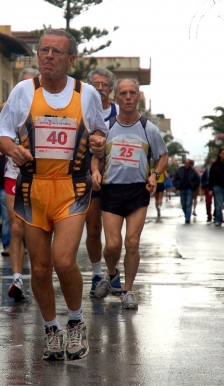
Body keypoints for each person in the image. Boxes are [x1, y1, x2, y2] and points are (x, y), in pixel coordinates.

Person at [0, 29, 106, 360]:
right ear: (38, 55)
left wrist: (98, 140)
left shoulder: (86, 95)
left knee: (63, 259)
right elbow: (1, 133)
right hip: (32, 187)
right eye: (44, 50)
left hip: (72, 186)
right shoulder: (24, 91)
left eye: (57, 52)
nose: (49, 56)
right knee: (40, 268)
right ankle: (51, 329)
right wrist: (13, 150)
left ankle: (75, 322)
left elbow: (99, 129)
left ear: (71, 60)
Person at [93, 78, 168, 309]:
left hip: (138, 191)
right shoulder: (107, 127)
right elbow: (96, 155)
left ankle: (128, 290)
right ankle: (112, 274)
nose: (127, 97)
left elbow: (162, 155)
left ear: (137, 97)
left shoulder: (149, 128)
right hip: (111, 191)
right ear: (116, 97)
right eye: (123, 93)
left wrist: (154, 174)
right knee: (113, 246)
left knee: (132, 243)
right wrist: (95, 171)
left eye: (132, 93)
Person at [0, 68, 40, 301]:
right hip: (13, 173)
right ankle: (17, 278)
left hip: (40, 176)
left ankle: (42, 275)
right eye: (23, 84)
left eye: (31, 83)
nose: (26, 88)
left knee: (38, 229)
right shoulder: (9, 105)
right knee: (16, 226)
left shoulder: (47, 105)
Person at [85, 68, 118, 297]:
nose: (100, 89)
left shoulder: (118, 113)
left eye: (104, 85)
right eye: (95, 84)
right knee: (94, 229)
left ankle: (113, 273)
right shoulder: (83, 112)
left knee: (114, 234)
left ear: (111, 89)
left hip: (116, 180)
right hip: (90, 178)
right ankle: (97, 273)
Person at [172, 159, 201, 223]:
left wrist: (193, 186)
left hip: (189, 189)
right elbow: (175, 179)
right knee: (183, 204)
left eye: (188, 163)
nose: (187, 164)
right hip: (182, 189)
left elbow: (197, 180)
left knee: (189, 203)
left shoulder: (193, 171)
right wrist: (177, 186)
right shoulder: (180, 170)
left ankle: (187, 218)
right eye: (186, 163)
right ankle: (186, 214)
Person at [208, 147, 224, 226]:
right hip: (218, 187)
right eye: (223, 153)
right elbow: (211, 177)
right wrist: (210, 188)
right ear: (220, 154)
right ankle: (218, 220)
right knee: (218, 205)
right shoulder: (215, 165)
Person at [201, 158, 215, 222]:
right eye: (212, 162)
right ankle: (209, 215)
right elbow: (203, 178)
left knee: (218, 202)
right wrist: (204, 186)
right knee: (208, 202)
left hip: (217, 187)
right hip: (208, 187)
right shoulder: (208, 169)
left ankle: (216, 213)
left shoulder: (219, 168)